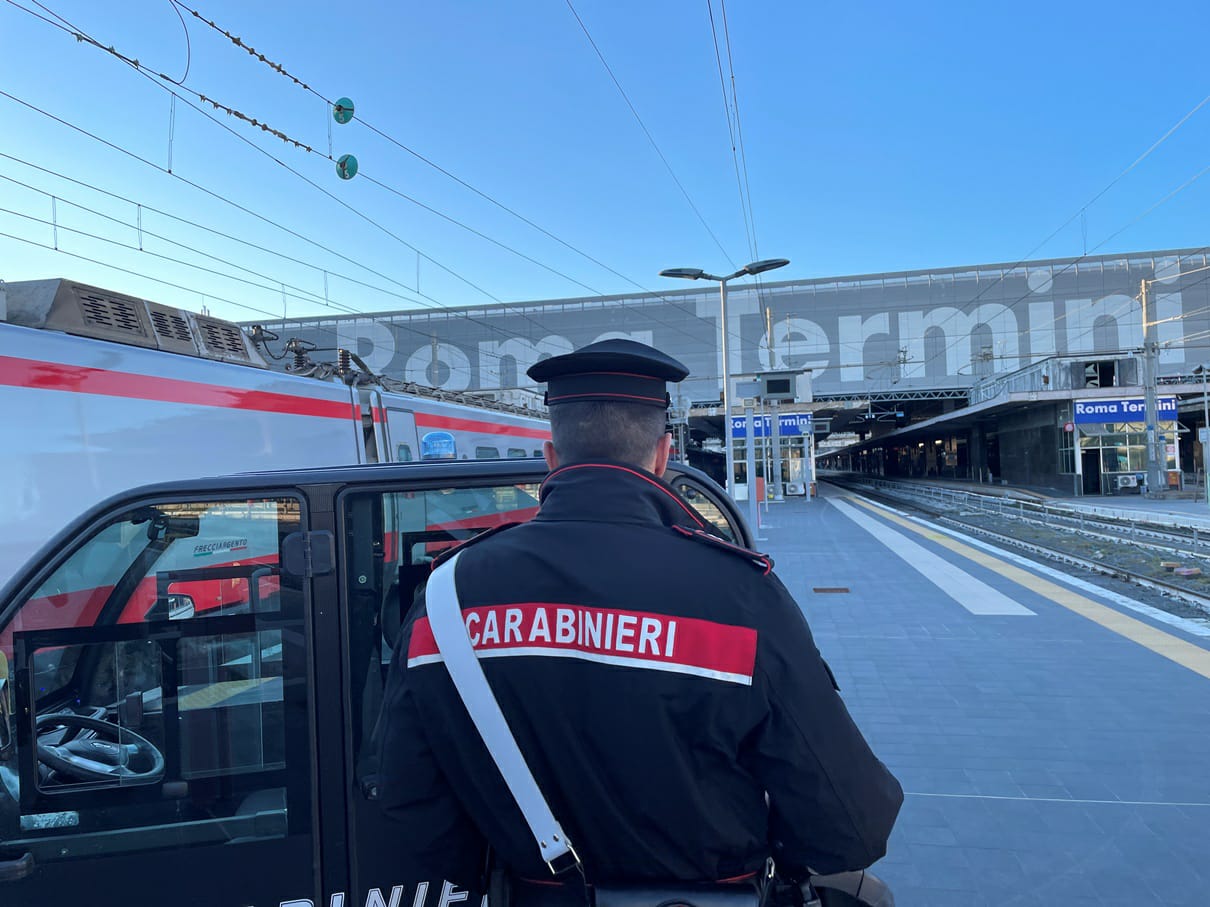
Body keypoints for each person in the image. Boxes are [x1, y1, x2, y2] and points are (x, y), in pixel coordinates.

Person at [375, 338, 902, 902]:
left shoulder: (447, 595)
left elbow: (404, 799)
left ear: (551, 457)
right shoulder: (740, 596)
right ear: (663, 454)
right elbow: (850, 825)